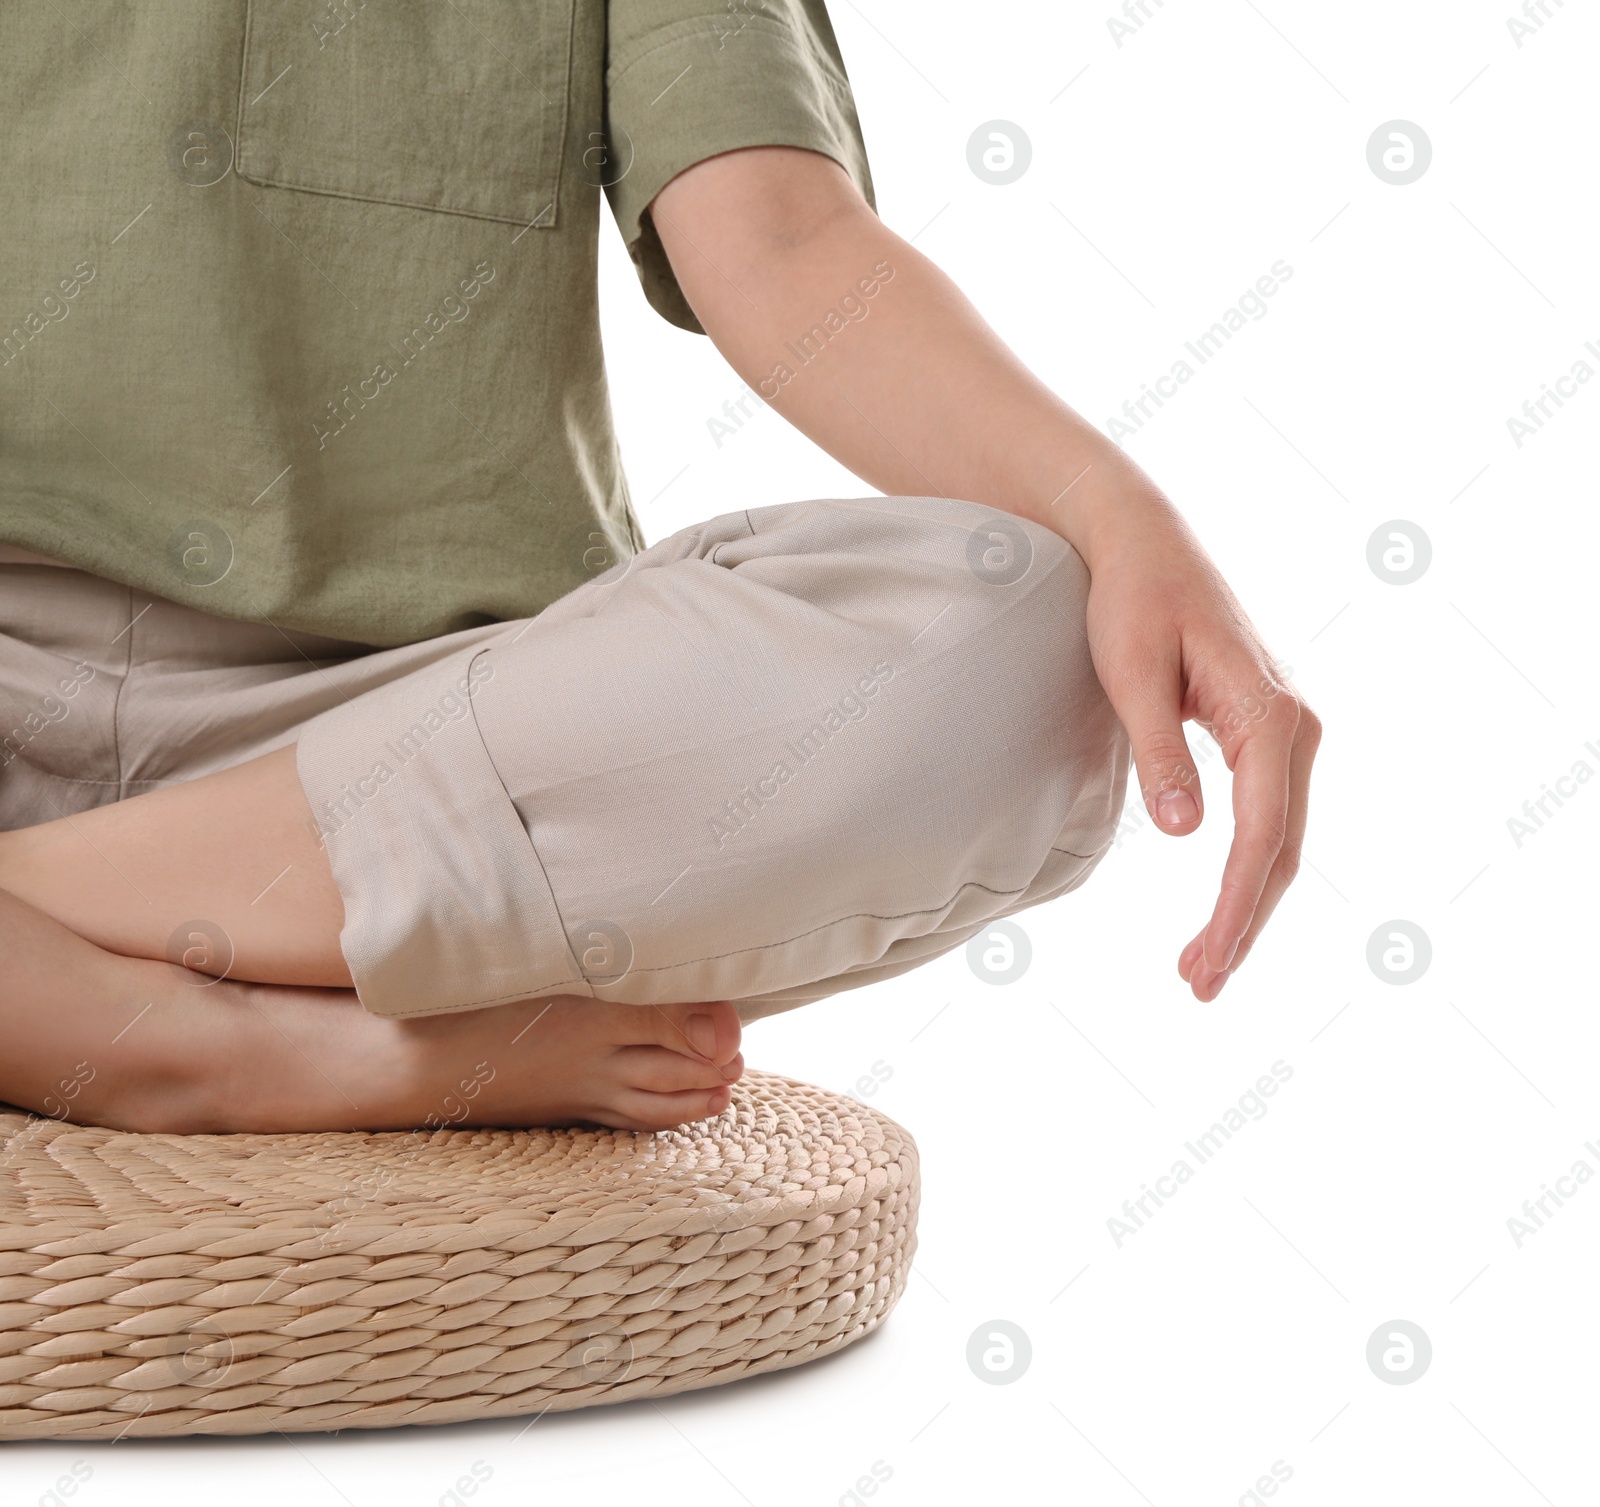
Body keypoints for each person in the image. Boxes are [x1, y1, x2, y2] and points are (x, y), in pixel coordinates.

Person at [0, 2, 1319, 1136]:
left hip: (420, 732)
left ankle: (52, 963)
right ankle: (254, 1050)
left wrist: (1129, 525)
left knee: (1028, 647)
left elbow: (785, 247)